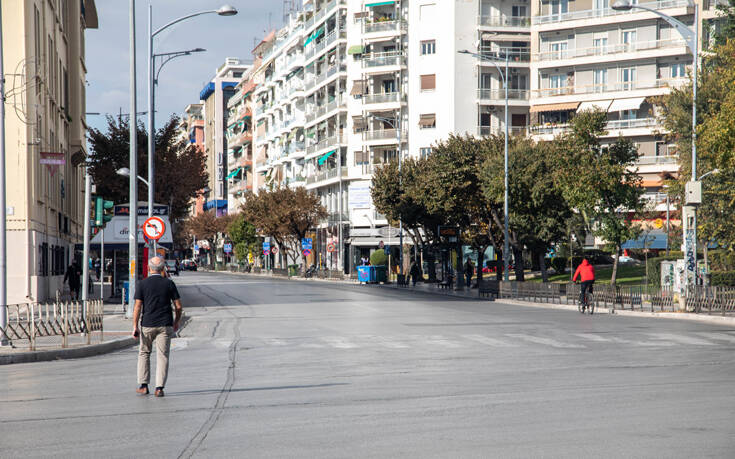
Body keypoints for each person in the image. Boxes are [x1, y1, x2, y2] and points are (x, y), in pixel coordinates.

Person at [132, 256, 183, 397]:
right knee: (163, 356)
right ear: (162, 269)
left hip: (147, 324)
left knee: (144, 353)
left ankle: (143, 385)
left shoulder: (142, 284)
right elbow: (178, 306)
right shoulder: (169, 284)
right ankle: (159, 388)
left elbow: (137, 306)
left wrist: (135, 325)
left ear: (149, 268)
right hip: (165, 324)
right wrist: (176, 321)